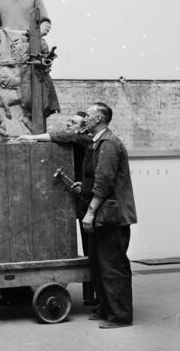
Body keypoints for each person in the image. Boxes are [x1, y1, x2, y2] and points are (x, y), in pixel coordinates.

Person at [15, 111, 96, 305]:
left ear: (83, 127)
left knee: (90, 247)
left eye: (74, 122)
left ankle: (93, 296)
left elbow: (63, 136)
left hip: (87, 199)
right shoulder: (77, 139)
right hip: (78, 195)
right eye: (69, 121)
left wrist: (32, 137)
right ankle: (90, 296)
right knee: (87, 247)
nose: (69, 124)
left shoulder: (84, 139)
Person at [81, 102, 137, 329]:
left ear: (98, 120)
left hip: (111, 217)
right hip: (105, 216)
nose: (84, 119)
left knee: (113, 266)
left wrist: (90, 211)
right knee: (99, 264)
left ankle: (121, 316)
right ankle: (105, 308)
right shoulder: (98, 143)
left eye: (88, 115)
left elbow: (104, 182)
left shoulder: (109, 144)